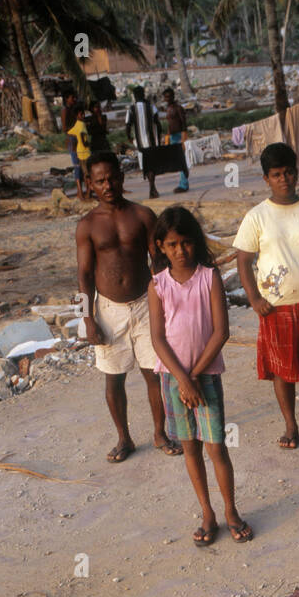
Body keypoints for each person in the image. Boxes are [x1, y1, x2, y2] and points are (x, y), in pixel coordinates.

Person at [148, 207, 250, 545]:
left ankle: (231, 510)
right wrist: (181, 379)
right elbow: (158, 339)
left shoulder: (209, 277)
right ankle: (207, 511)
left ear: (196, 243)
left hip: (203, 377)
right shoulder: (158, 285)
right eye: (173, 244)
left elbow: (221, 331)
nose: (181, 251)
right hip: (174, 380)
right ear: (161, 246)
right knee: (190, 448)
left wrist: (192, 377)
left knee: (216, 447)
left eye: (187, 243)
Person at [75, 151, 182, 462]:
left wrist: (169, 300)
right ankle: (124, 438)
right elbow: (83, 274)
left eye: (112, 178)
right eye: (100, 181)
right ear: (90, 184)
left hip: (145, 304)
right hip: (108, 309)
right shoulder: (87, 226)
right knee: (114, 377)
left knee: (154, 373)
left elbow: (158, 260)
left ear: (121, 177)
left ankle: (160, 433)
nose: (108, 185)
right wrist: (87, 318)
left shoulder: (142, 215)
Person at [233, 141, 299, 449]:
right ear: (266, 179)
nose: (284, 179)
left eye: (289, 172)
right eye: (277, 174)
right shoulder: (257, 217)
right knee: (282, 369)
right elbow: (243, 259)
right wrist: (254, 299)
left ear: (297, 174)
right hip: (274, 307)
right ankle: (290, 425)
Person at [125, 85, 162, 199]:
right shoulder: (151, 107)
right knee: (152, 164)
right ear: (143, 95)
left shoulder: (131, 109)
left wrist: (130, 138)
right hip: (152, 141)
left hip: (140, 142)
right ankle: (152, 186)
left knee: (145, 164)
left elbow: (127, 125)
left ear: (135, 96)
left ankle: (152, 187)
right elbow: (158, 124)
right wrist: (159, 138)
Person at [162, 87, 189, 195]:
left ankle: (184, 185)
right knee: (178, 162)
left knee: (181, 161)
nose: (167, 98)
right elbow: (170, 124)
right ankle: (183, 182)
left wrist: (183, 139)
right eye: (165, 97)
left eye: (169, 96)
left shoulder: (178, 108)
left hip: (179, 136)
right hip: (172, 137)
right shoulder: (168, 109)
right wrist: (167, 137)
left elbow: (184, 123)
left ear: (173, 96)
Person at [67, 105, 92, 201]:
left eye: (83, 113)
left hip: (83, 153)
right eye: (81, 114)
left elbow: (70, 133)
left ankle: (88, 192)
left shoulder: (80, 124)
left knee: (87, 174)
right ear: (77, 115)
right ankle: (88, 193)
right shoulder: (80, 126)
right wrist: (84, 143)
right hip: (83, 153)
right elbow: (78, 135)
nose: (83, 115)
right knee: (87, 174)